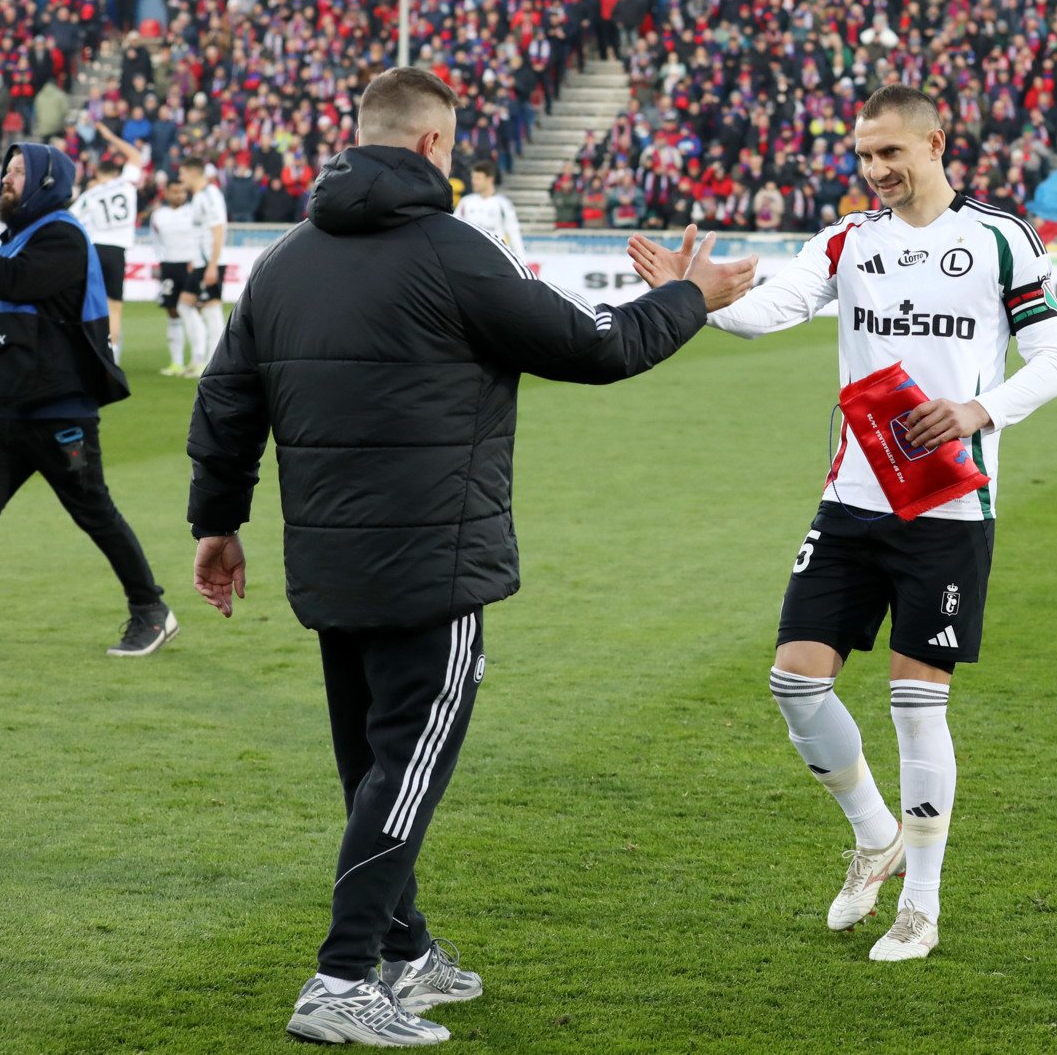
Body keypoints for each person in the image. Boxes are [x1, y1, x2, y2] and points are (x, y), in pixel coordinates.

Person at [185, 67, 754, 1046]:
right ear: (437, 147)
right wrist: (688, 298)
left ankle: (404, 954)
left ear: (359, 137)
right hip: (432, 565)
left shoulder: (280, 260)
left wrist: (217, 524)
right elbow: (596, 347)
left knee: (375, 764)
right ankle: (340, 977)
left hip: (326, 561)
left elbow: (226, 403)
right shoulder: (453, 253)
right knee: (406, 764)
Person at [628, 84, 1057, 962]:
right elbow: (770, 312)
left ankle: (924, 907)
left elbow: (1052, 361)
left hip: (947, 507)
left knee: (916, 707)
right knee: (795, 681)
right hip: (853, 500)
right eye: (864, 156)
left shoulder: (997, 238)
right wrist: (695, 297)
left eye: (890, 154)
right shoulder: (847, 241)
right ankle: (877, 837)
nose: (874, 172)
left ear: (935, 142)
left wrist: (978, 410)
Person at [0, 143, 177, 664]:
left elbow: (14, 284)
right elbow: (10, 329)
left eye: (19, 171)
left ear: (45, 182)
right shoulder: (14, 246)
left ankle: (151, 610)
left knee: (94, 512)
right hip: (3, 416)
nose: (7, 179)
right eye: (7, 170)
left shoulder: (62, 236)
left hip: (58, 413)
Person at [70, 123, 145, 363]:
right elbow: (135, 156)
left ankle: (87, 354)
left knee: (89, 304)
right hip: (117, 251)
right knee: (114, 308)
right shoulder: (126, 185)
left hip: (94, 250)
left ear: (98, 175)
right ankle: (112, 359)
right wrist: (110, 135)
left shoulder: (91, 195)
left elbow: (70, 220)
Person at [179, 157, 227, 376]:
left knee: (211, 309)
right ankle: (201, 358)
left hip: (210, 262)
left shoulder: (209, 195)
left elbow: (218, 230)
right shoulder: (199, 196)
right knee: (186, 306)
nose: (180, 178)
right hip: (201, 262)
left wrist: (212, 265)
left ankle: (212, 362)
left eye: (182, 174)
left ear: (192, 172)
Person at [150, 176, 199, 377]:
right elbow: (155, 240)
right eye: (176, 191)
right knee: (172, 311)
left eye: (182, 191)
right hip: (169, 265)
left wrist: (196, 262)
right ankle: (176, 362)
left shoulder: (193, 212)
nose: (180, 195)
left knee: (193, 310)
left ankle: (198, 358)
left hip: (190, 265)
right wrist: (161, 261)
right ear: (167, 193)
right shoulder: (158, 215)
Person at [451, 159, 526, 264]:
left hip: (496, 260)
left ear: (490, 179)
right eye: (473, 177)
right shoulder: (466, 202)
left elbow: (513, 233)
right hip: (471, 260)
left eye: (478, 178)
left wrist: (522, 261)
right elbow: (454, 231)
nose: (473, 181)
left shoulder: (502, 204)